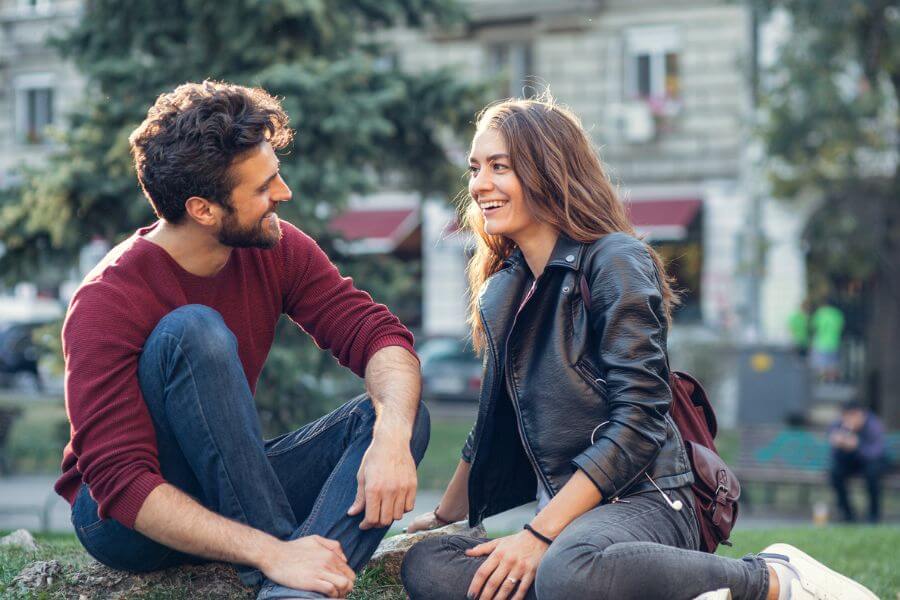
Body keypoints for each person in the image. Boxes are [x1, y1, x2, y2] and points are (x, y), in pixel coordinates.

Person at [400, 97, 877, 600]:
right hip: (572, 514)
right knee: (429, 564)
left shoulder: (615, 260)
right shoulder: (505, 290)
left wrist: (539, 534)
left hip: (648, 498)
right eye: (475, 168)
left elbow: (640, 423)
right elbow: (492, 423)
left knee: (570, 567)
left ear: (547, 169)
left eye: (500, 167)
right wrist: (444, 517)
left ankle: (773, 577)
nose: (479, 185)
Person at [56, 81, 429, 600]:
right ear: (203, 210)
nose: (284, 193)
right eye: (262, 188)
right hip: (127, 521)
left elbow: (376, 334)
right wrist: (271, 549)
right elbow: (121, 483)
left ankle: (292, 593)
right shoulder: (108, 299)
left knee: (396, 416)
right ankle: (282, 560)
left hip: (231, 489)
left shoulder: (276, 247)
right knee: (194, 331)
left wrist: (391, 438)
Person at [828, 402, 887, 523]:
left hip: (870, 462)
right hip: (850, 462)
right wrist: (839, 444)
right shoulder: (838, 425)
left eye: (852, 416)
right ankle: (847, 514)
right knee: (835, 473)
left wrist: (857, 446)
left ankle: (873, 515)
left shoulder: (873, 425)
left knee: (872, 474)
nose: (849, 419)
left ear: (860, 415)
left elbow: (876, 453)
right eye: (846, 416)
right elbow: (834, 454)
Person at [809, 301, 844, 382]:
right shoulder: (837, 313)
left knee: (821, 364)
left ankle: (822, 381)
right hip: (834, 342)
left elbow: (813, 327)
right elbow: (841, 327)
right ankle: (832, 381)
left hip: (820, 343)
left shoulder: (820, 313)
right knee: (832, 364)